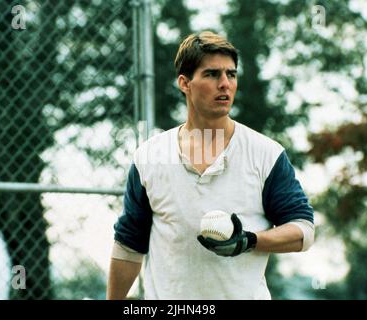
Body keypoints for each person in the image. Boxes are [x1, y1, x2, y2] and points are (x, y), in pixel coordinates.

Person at [106, 31, 314, 300]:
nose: (225, 84)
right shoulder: (149, 157)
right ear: (185, 83)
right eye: (212, 74)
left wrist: (249, 241)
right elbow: (128, 247)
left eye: (232, 74)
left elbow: (303, 231)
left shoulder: (266, 154)